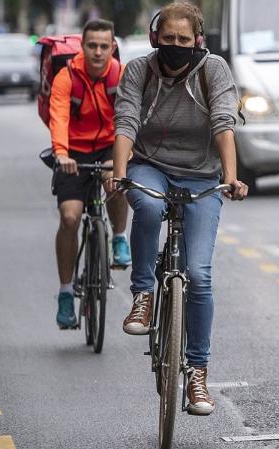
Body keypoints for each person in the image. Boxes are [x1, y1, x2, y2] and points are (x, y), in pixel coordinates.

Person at [105, 2, 248, 416]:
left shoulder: (213, 70)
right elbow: (126, 122)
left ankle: (197, 374)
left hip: (202, 175)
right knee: (147, 207)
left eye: (184, 40)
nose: (175, 45)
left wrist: (231, 178)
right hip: (151, 167)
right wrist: (118, 174)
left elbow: (224, 123)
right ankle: (143, 294)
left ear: (197, 42)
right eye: (168, 38)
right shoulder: (139, 71)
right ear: (154, 38)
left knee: (200, 276)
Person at [49, 19, 131, 330]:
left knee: (115, 178)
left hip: (112, 144)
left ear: (113, 48)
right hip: (74, 151)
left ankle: (119, 238)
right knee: (70, 217)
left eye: (104, 46)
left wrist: (129, 152)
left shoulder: (121, 76)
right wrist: (61, 153)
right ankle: (66, 293)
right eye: (92, 46)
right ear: (82, 48)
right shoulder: (66, 76)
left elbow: (131, 115)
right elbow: (58, 115)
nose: (98, 52)